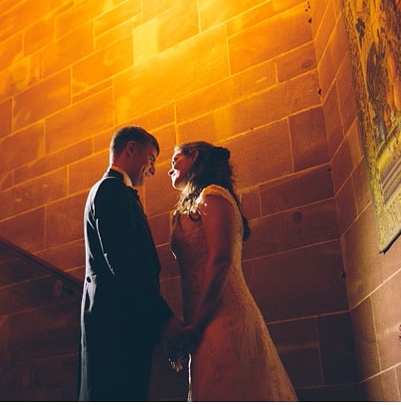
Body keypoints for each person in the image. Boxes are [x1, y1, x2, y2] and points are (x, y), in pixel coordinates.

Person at [166, 141, 297, 401]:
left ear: (194, 157)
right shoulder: (194, 204)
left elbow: (220, 261)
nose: (169, 169)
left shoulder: (213, 196)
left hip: (221, 316)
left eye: (175, 160)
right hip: (201, 320)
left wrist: (196, 326)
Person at [78, 126, 184, 401]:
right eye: (151, 159)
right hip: (117, 328)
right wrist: (164, 317)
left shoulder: (115, 191)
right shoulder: (111, 191)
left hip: (121, 323)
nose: (152, 170)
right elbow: (124, 264)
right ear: (131, 149)